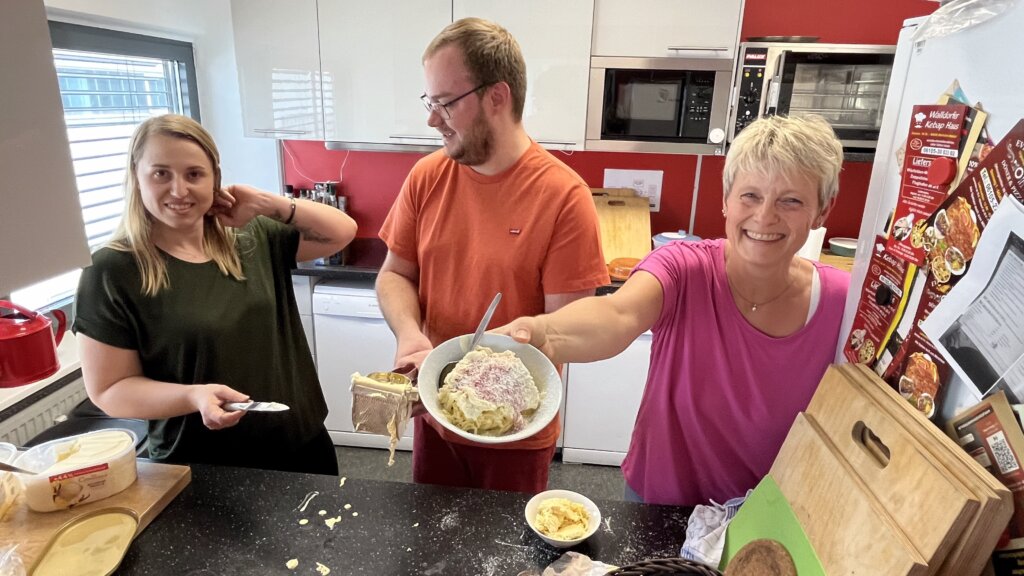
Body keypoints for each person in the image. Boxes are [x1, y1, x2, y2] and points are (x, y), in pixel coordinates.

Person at [498, 115, 851, 506]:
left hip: (765, 518)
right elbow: (618, 315)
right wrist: (544, 333)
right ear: (726, 200)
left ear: (821, 210)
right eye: (750, 195)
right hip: (659, 504)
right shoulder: (683, 267)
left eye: (791, 201)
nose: (765, 216)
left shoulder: (841, 303)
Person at [376, 17, 609, 493]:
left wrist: (481, 384)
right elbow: (395, 274)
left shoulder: (564, 197)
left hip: (514, 437)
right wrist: (409, 337)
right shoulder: (426, 176)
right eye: (430, 102)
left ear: (497, 97)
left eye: (444, 103)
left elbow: (565, 331)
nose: (431, 119)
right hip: (437, 419)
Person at [73, 114, 356, 475]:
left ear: (215, 179)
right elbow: (110, 390)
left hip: (299, 446)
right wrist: (192, 396)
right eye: (161, 173)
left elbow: (341, 232)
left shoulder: (252, 236)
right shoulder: (112, 270)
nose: (179, 190)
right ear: (136, 177)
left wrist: (268, 203)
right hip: (199, 463)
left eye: (194, 174)